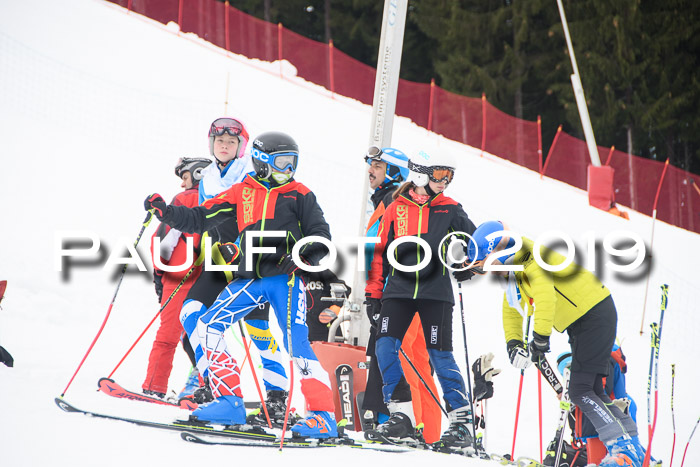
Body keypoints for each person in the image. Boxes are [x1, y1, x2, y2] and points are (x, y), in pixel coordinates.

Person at [144, 131, 338, 439]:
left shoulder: (300, 194)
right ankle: (229, 400)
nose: (288, 170)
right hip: (249, 279)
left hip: (284, 280)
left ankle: (323, 416)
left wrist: (300, 256)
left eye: (293, 163)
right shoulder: (242, 191)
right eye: (282, 163)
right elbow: (200, 217)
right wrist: (167, 213)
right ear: (261, 162)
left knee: (295, 342)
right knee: (208, 324)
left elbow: (321, 238)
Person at [462, 221, 648, 467]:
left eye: (488, 266)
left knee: (581, 391)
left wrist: (539, 339)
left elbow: (545, 296)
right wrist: (514, 343)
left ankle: (623, 448)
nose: (491, 273)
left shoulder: (532, 259)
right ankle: (633, 448)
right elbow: (512, 308)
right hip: (586, 319)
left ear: (499, 252)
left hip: (593, 315)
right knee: (593, 389)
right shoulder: (517, 267)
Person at [364, 149, 478, 450]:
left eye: (450, 176)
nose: (446, 182)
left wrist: (470, 264)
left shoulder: (449, 208)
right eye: (440, 175)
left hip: (434, 292)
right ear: (419, 173)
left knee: (439, 355)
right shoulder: (395, 207)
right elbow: (379, 252)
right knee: (385, 346)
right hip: (398, 291)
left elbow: (476, 242)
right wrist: (373, 294)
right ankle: (401, 415)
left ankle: (462, 423)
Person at [175, 118, 289, 418]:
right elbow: (203, 218)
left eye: (231, 142)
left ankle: (277, 396)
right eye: (218, 141)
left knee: (258, 330)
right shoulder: (208, 177)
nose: (224, 145)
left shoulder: (249, 175)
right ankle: (215, 382)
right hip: (216, 261)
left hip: (246, 263)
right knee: (190, 314)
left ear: (241, 147)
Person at [361, 146, 443, 444]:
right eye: (370, 164)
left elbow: (375, 249)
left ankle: (412, 427)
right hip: (424, 295)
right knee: (419, 361)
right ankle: (429, 432)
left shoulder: (394, 202)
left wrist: (375, 294)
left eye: (378, 166)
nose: (371, 171)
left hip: (401, 293)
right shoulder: (405, 202)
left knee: (400, 355)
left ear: (395, 172)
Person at [142, 158, 210, 398]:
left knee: (167, 337)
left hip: (179, 277)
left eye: (185, 177)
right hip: (211, 281)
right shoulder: (220, 202)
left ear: (198, 174)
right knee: (205, 337)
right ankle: (208, 388)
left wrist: (159, 276)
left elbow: (163, 241)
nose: (182, 184)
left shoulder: (183, 200)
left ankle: (154, 387)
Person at [304, 269, 351, 343]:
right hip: (302, 322)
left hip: (325, 323)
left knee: (331, 351)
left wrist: (335, 307)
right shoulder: (291, 274)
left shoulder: (322, 272)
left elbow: (343, 288)